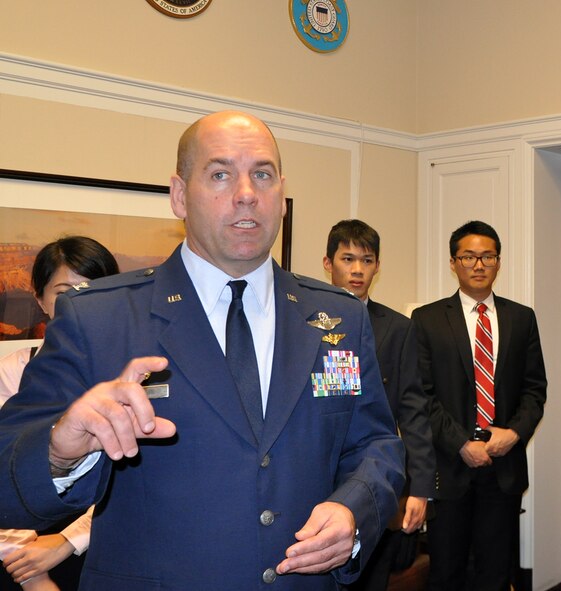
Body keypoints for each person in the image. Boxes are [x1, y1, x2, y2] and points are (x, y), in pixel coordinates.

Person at [0, 111, 404, 591]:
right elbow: (8, 477)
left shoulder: (337, 316)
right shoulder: (98, 319)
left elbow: (375, 444)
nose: (247, 192)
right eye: (220, 174)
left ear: (281, 196)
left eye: (262, 174)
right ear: (178, 195)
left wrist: (353, 510)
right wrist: (59, 451)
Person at [411, 220, 547, 591]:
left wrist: (515, 433)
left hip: (502, 468)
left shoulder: (522, 318)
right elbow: (422, 395)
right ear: (453, 263)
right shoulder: (427, 320)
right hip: (450, 465)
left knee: (495, 573)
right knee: (445, 574)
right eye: (468, 256)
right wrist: (460, 443)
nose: (478, 264)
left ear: (498, 262)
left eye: (487, 256)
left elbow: (535, 390)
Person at [0, 236, 118, 591]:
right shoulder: (11, 371)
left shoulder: (135, 376)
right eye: (65, 292)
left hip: (105, 544)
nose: (79, 304)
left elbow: (137, 487)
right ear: (39, 299)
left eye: (93, 291)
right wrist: (31, 570)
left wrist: (67, 542)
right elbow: (5, 472)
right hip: (17, 555)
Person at [322, 219, 435, 591]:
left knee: (373, 578)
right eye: (347, 258)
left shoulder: (398, 328)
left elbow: (413, 410)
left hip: (374, 476)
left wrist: (419, 487)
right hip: (317, 477)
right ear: (328, 263)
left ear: (377, 267)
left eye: (367, 260)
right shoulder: (304, 320)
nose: (357, 270)